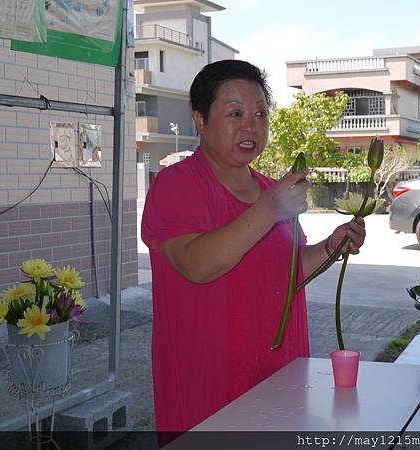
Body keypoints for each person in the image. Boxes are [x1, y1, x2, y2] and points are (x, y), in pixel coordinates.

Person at [141, 60, 366, 440]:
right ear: (199, 119)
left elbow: (290, 271)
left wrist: (332, 244)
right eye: (235, 113)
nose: (250, 126)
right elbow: (197, 265)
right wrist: (268, 210)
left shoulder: (269, 189)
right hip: (210, 385)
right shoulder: (177, 184)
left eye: (260, 113)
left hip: (279, 375)